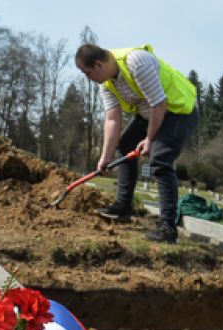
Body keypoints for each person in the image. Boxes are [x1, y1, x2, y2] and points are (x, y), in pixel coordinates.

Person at [75, 43, 199, 243]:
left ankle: (168, 228)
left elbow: (158, 103)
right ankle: (123, 207)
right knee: (125, 146)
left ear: (98, 65)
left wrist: (150, 140)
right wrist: (104, 158)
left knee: (160, 159)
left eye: (87, 73)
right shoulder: (106, 83)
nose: (87, 79)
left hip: (179, 111)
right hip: (151, 114)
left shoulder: (136, 62)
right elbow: (112, 119)